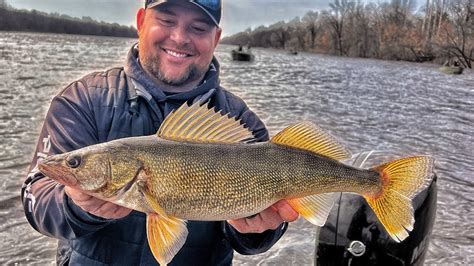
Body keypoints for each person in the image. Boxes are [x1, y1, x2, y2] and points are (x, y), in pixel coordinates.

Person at [20, 0, 299, 265]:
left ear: (216, 38)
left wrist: (258, 230)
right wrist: (75, 206)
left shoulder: (241, 123)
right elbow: (37, 197)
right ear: (141, 22)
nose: (179, 38)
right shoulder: (81, 101)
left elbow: (259, 237)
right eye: (166, 20)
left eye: (198, 28)